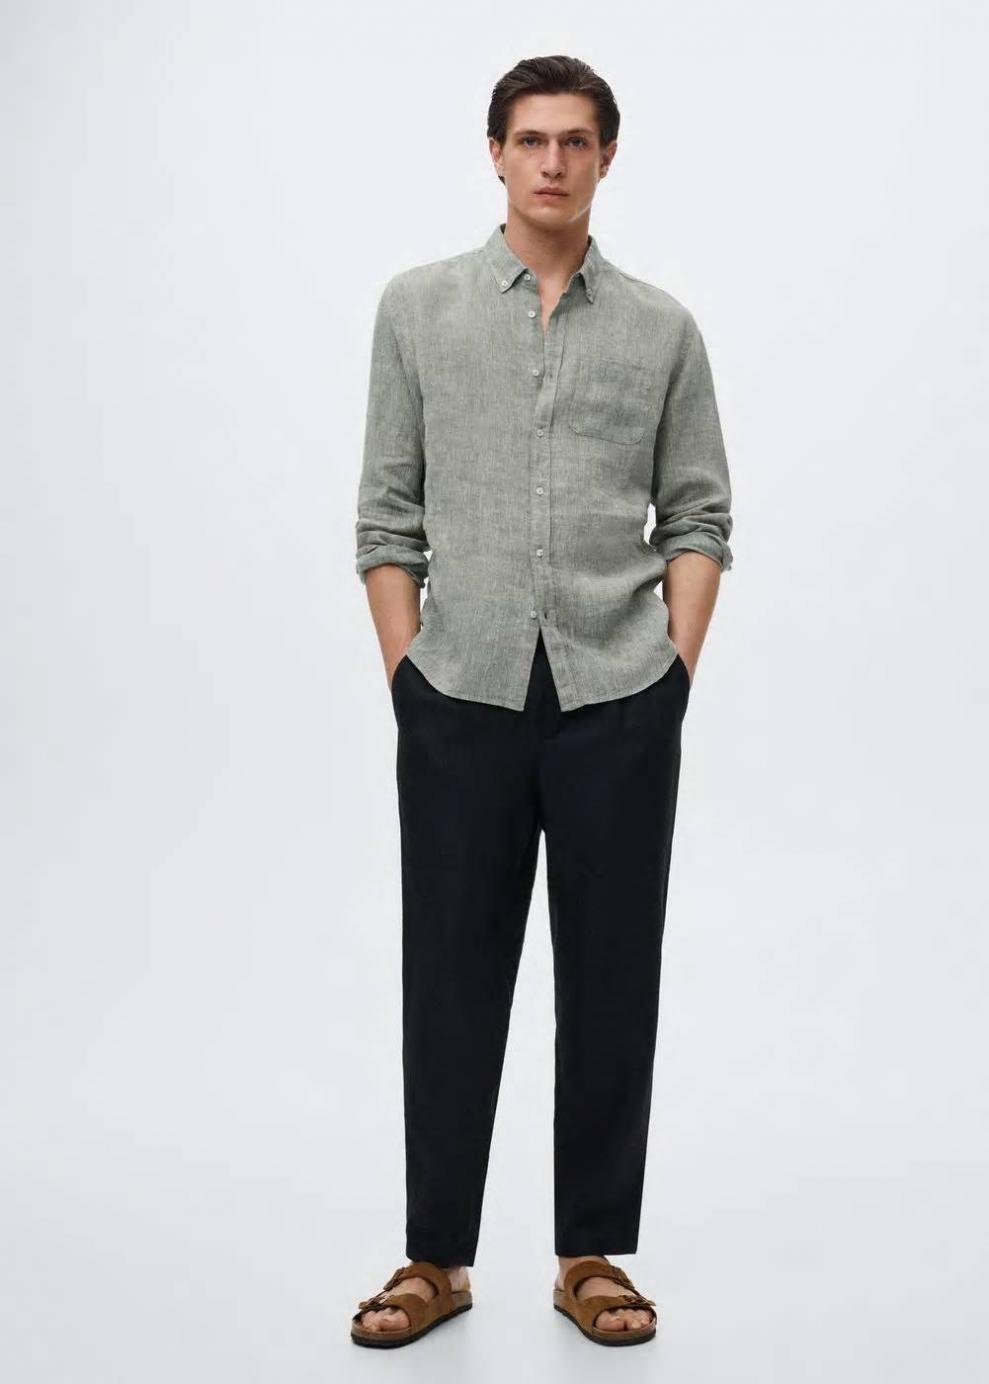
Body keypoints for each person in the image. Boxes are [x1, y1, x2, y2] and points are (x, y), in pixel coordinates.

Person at [350, 54, 734, 1350]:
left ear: (606, 158)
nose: (552, 162)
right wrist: (408, 678)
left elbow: (698, 516)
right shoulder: (419, 310)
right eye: (531, 140)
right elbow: (385, 518)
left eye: (575, 141)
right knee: (449, 980)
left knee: (613, 977)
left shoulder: (661, 330)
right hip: (457, 692)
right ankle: (435, 1259)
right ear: (496, 154)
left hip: (618, 694)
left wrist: (671, 676)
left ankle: (590, 1256)